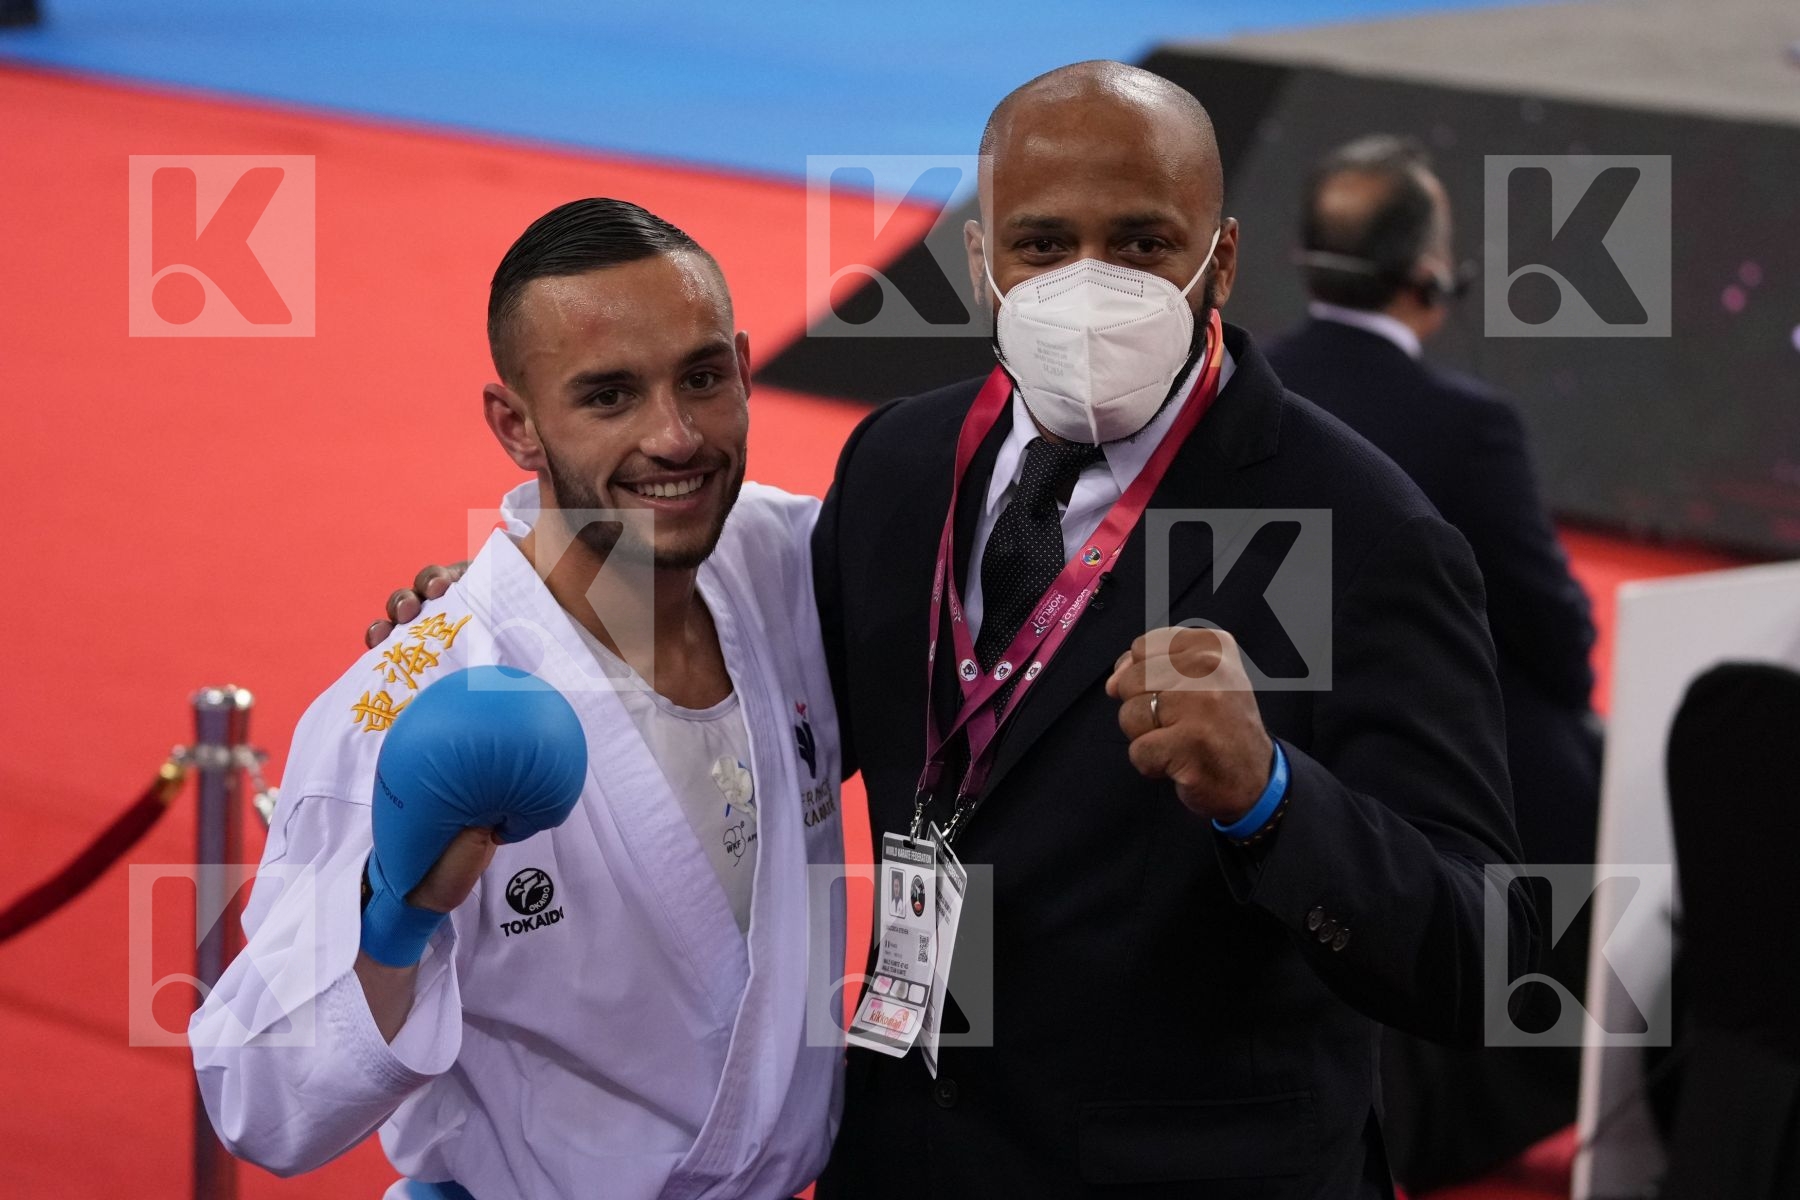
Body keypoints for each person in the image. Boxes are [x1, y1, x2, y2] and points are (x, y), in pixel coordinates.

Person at [377, 64, 1537, 1199]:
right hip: (902, 1153)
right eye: (1041, 244)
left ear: (1218, 258)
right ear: (981, 261)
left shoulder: (1366, 529)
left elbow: (1487, 956)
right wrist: (525, 614)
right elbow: (757, 681)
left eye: (1141, 244)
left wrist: (1273, 796)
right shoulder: (900, 461)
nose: (1089, 286)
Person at [193, 199, 845, 1200]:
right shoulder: (420, 693)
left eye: (703, 378)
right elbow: (257, 1101)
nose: (675, 437)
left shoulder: (790, 562)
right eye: (610, 397)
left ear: (744, 366)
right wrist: (395, 909)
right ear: (516, 425)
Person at [1266, 136, 1600, 1190]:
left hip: (1266, 746)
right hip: (1422, 773)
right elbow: (1555, 632)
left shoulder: (1244, 386)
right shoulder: (1468, 425)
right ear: (1428, 276)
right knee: (1590, 766)